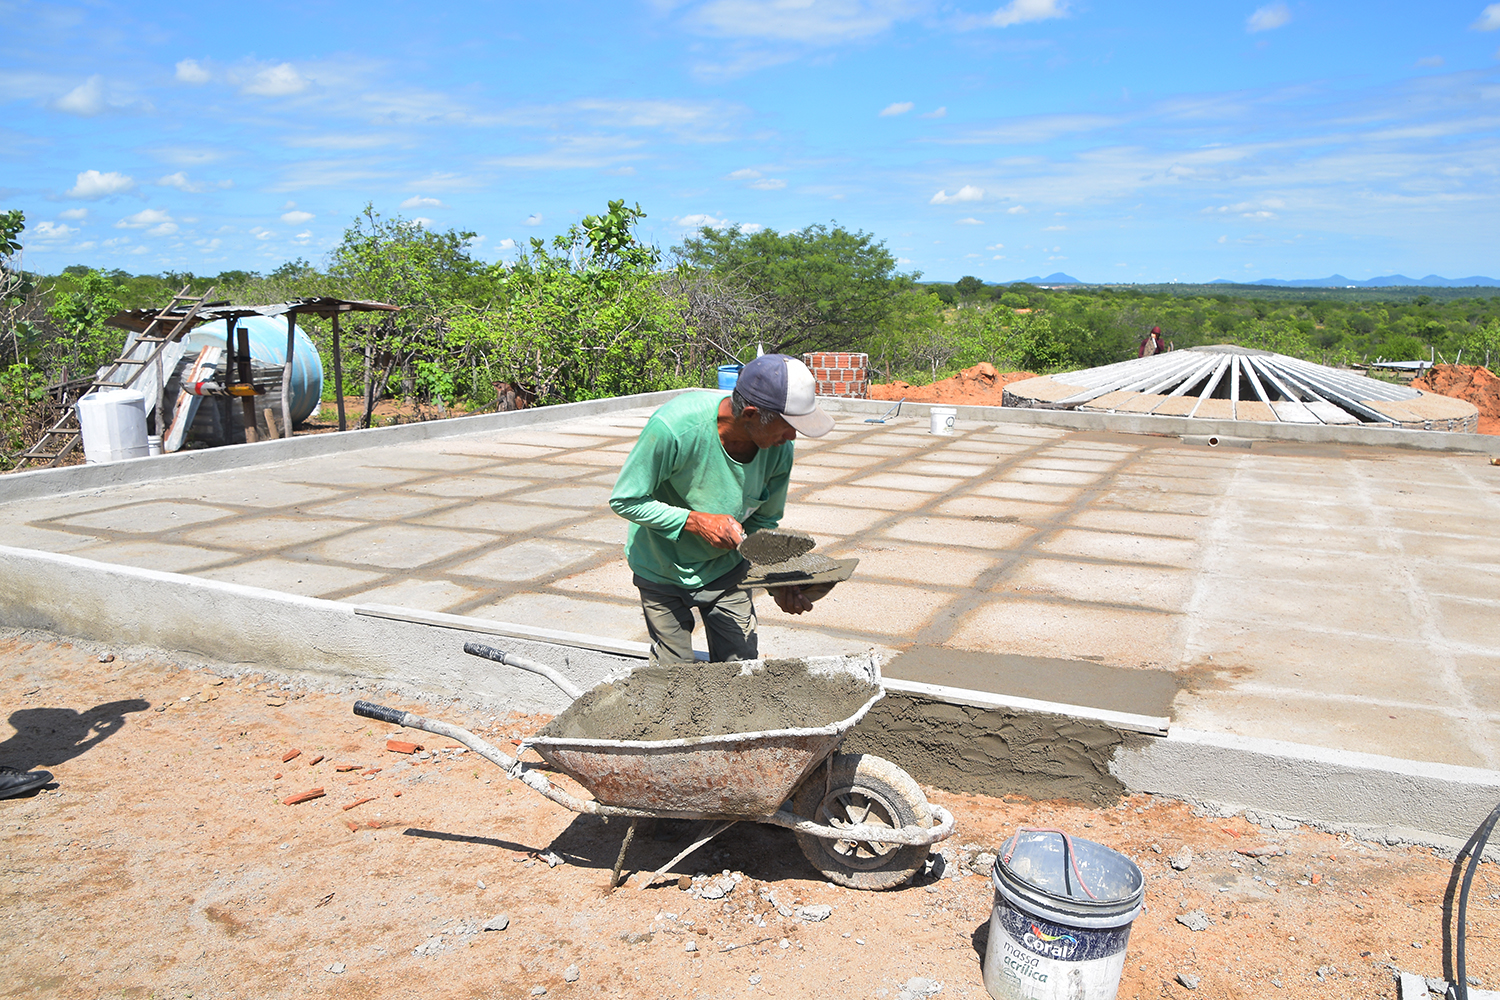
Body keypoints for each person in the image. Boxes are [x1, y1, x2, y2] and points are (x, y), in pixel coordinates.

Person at [609, 354, 835, 666]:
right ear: (752, 414)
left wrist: (776, 581)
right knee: (673, 677)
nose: (793, 437)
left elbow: (764, 521)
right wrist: (694, 521)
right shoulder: (674, 428)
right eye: (789, 426)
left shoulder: (778, 450)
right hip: (661, 568)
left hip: (726, 571)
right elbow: (625, 499)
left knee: (740, 670)